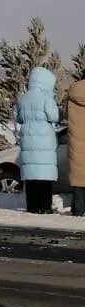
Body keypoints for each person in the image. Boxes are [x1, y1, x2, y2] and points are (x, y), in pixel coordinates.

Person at [14, 66, 60, 214]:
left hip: (28, 137)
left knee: (31, 175)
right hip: (44, 139)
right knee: (44, 175)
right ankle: (45, 206)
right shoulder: (47, 98)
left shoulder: (23, 98)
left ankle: (32, 206)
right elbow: (54, 116)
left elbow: (17, 117)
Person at [69, 78, 85, 217]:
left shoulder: (73, 91)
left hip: (76, 141)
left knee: (79, 180)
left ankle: (77, 212)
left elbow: (66, 115)